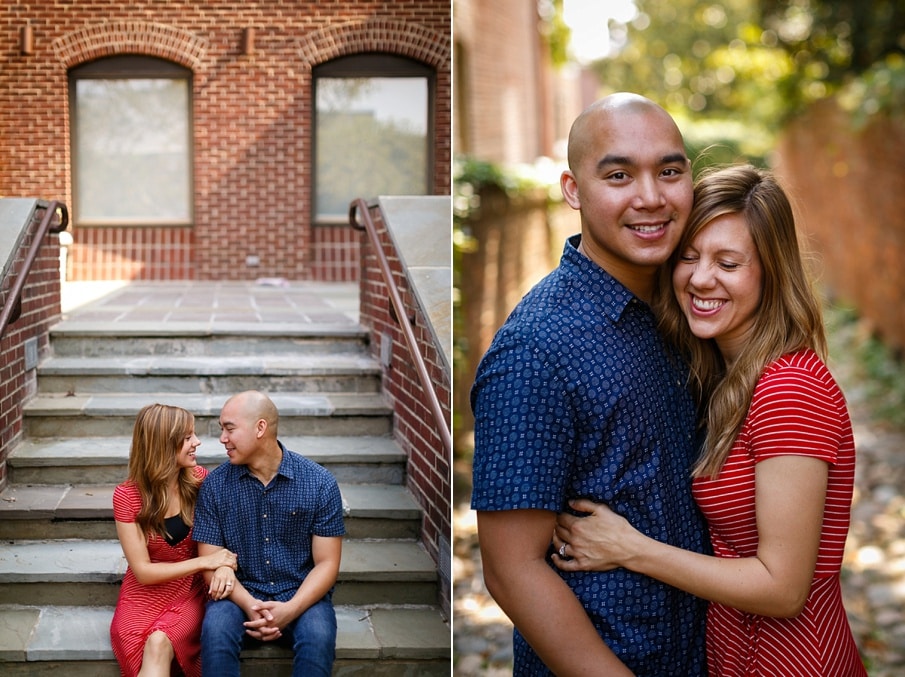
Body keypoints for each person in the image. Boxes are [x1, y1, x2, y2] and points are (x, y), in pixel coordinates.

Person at [553, 164, 867, 676]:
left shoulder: (790, 389)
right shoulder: (726, 377)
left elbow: (783, 589)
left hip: (790, 662)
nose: (701, 278)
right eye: (690, 257)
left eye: (728, 262)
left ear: (771, 271)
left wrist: (631, 549)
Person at [470, 92, 709, 675]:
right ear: (573, 190)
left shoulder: (689, 309)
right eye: (619, 175)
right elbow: (511, 568)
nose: (650, 197)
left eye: (669, 171)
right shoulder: (536, 350)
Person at [192, 390, 345, 677]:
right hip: (237, 594)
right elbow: (209, 564)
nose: (222, 438)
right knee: (215, 631)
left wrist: (290, 609)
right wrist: (250, 605)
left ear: (260, 428)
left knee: (318, 637)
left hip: (301, 594)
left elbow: (327, 564)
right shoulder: (215, 486)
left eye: (229, 428)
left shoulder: (319, 483)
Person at [111, 403, 238, 677]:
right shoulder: (127, 496)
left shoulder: (200, 481)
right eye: (187, 438)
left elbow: (226, 538)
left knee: (159, 642)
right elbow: (143, 571)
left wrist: (222, 564)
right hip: (143, 593)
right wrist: (205, 561)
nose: (197, 442)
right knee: (136, 639)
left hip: (189, 590)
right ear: (163, 445)